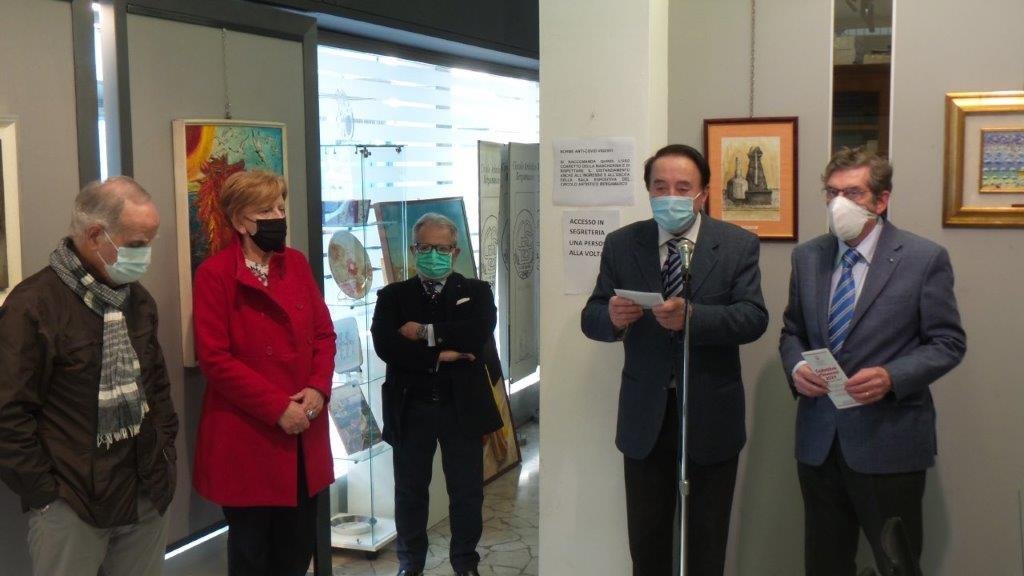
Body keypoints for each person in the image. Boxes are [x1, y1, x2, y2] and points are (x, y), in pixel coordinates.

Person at [581, 144, 768, 575]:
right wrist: (611, 317)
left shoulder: (737, 245)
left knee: (706, 543)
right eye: (660, 187)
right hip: (645, 417)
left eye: (683, 188)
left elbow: (753, 318)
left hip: (711, 414)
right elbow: (592, 315)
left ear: (703, 194)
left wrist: (693, 318)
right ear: (648, 190)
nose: (670, 196)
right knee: (647, 544)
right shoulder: (622, 243)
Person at [779, 148, 966, 576]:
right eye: (831, 193)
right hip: (819, 442)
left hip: (889, 442)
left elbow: (947, 342)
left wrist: (891, 376)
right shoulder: (807, 258)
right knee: (824, 563)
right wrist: (796, 367)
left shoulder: (923, 258)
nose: (838, 204)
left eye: (853, 193)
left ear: (881, 200)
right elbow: (792, 331)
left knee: (897, 564)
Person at [0, 176, 178, 576]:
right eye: (137, 244)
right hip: (73, 502)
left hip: (146, 490)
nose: (145, 255)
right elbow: (8, 412)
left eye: (150, 242)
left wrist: (165, 455)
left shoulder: (138, 301)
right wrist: (46, 494)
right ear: (96, 235)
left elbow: (157, 389)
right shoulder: (34, 306)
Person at [191, 170, 336, 576]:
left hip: (304, 433)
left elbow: (324, 335)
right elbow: (215, 359)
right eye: (266, 211)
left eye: (280, 207)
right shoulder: (215, 275)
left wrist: (318, 388)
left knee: (296, 552)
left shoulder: (297, 264)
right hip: (249, 438)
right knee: (251, 556)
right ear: (240, 222)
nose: (278, 217)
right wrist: (276, 408)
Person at [371, 212, 502, 576]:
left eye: (441, 249)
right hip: (410, 406)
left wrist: (424, 333)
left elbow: (477, 333)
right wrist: (440, 355)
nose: (433, 255)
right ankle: (410, 563)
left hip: (463, 407)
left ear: (455, 251)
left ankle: (465, 563)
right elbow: (387, 346)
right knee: (410, 491)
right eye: (425, 247)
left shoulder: (477, 292)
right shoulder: (393, 296)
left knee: (466, 491)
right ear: (414, 251)